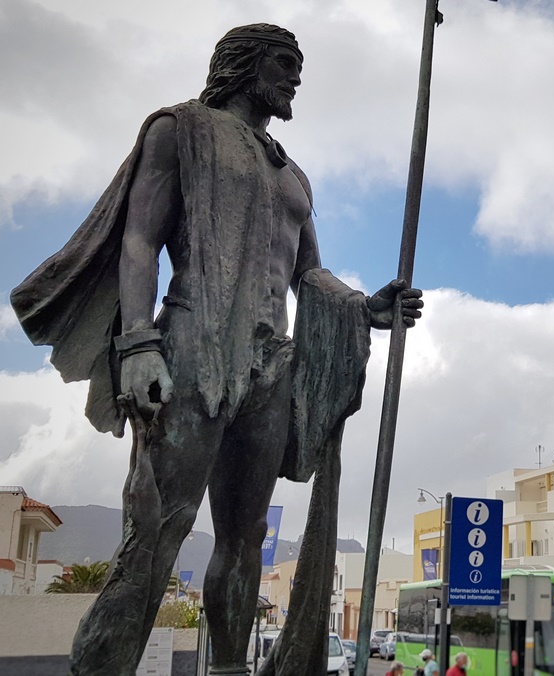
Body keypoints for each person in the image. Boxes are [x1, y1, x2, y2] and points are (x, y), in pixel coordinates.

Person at [11, 23, 422, 676]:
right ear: (243, 65)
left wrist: (363, 309)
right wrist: (140, 343)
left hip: (269, 368)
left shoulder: (293, 176)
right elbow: (140, 241)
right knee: (157, 532)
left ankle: (230, 670)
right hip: (192, 346)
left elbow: (308, 273)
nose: (295, 78)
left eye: (299, 66)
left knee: (243, 540)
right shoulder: (180, 129)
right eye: (284, 63)